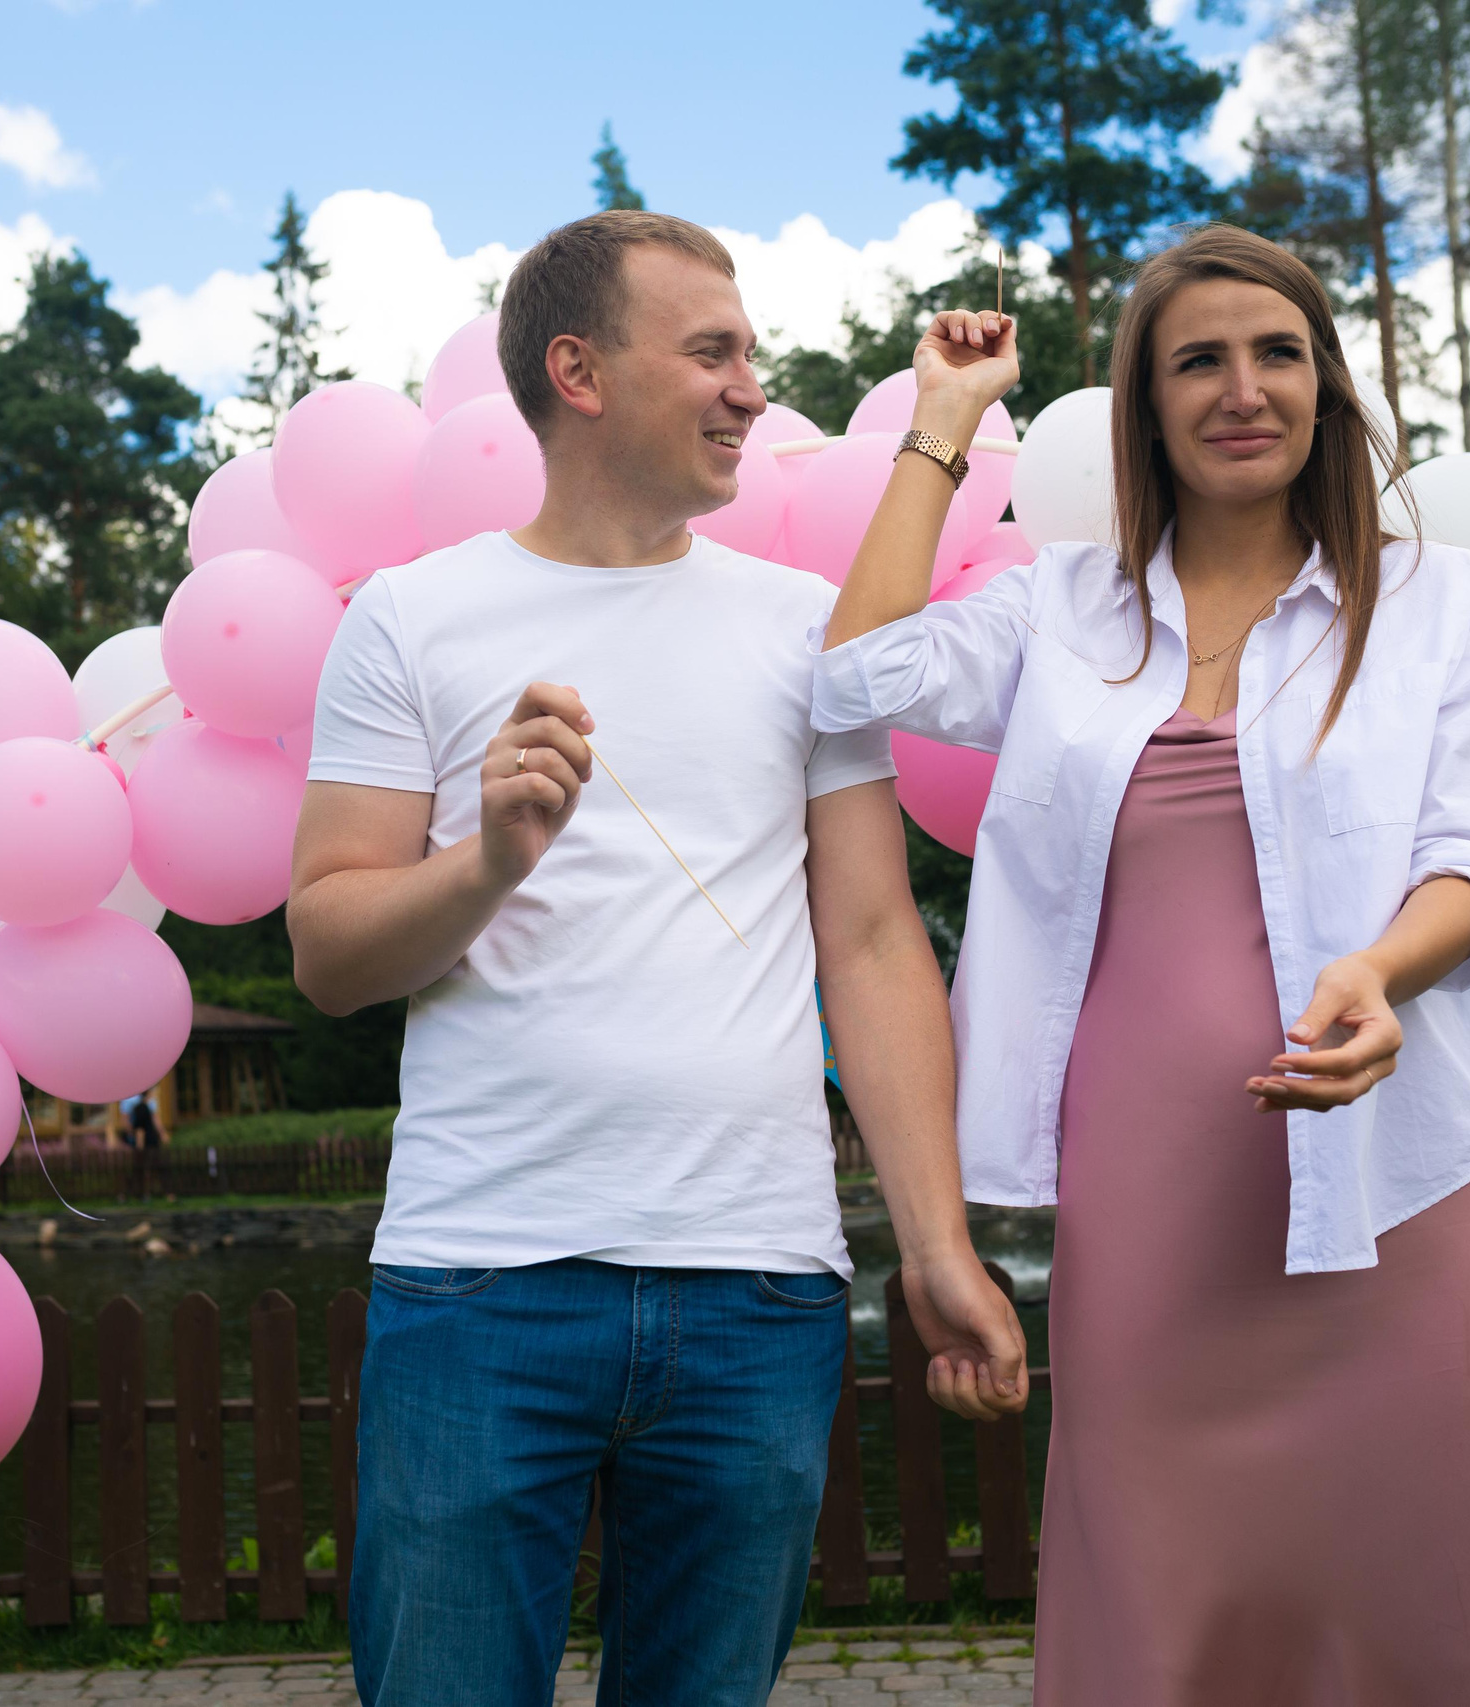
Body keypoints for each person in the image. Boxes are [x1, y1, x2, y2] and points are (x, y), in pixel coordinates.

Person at [815, 223, 1470, 1704]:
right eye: (1199, 362)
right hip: (1153, 1193)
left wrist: (1379, 974)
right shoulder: (1061, 609)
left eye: (1278, 353)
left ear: (1327, 383)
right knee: (1165, 1578)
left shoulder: (1445, 602)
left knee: (1437, 1581)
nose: (1244, 390)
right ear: (1147, 406)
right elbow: (852, 676)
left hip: (1402, 1170)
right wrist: (941, 423)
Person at [287, 210, 1028, 1707]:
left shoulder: (808, 632)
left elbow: (876, 942)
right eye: (712, 352)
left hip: (757, 1295)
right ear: (578, 370)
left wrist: (934, 1244)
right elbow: (328, 952)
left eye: (750, 352)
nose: (752, 387)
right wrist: (489, 857)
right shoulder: (411, 622)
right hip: (478, 1288)